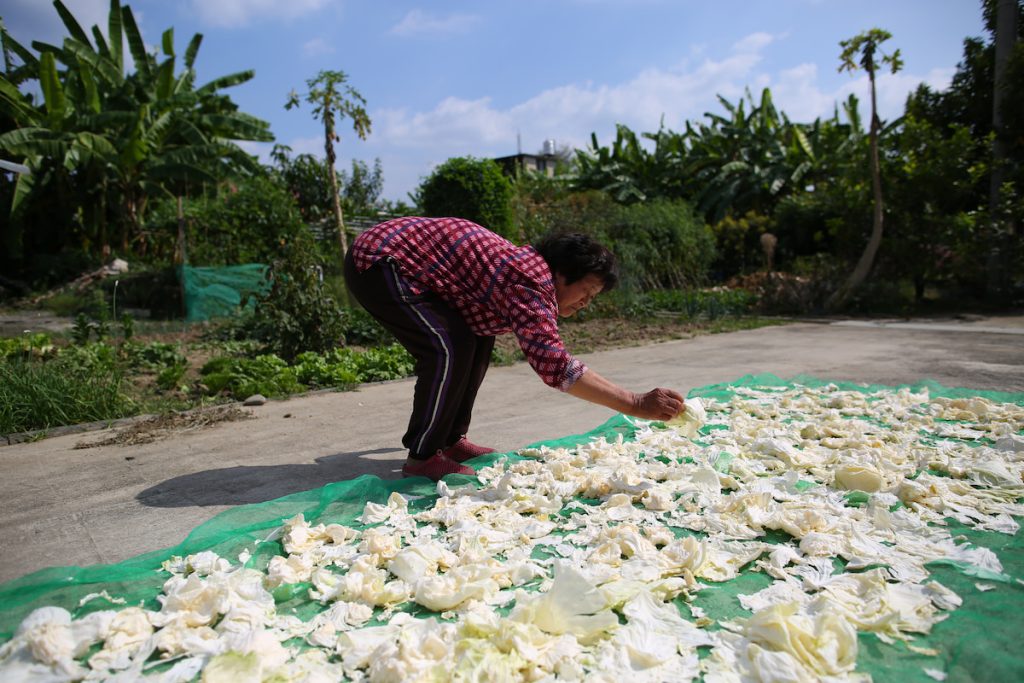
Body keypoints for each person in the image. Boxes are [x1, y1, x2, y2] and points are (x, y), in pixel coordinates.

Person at [343, 216, 686, 481]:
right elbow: (552, 363)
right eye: (588, 291)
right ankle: (422, 456)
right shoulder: (531, 280)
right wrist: (636, 403)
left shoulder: (527, 272)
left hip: (409, 264)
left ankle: (449, 439)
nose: (585, 304)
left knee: (475, 338)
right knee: (447, 349)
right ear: (563, 273)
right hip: (380, 261)